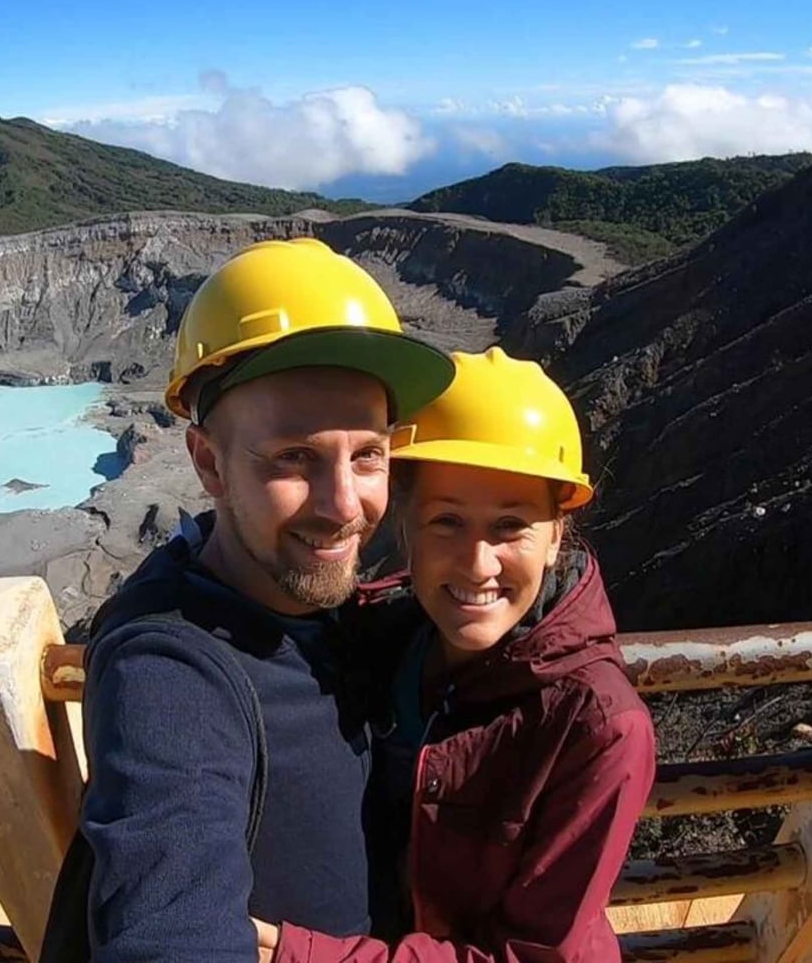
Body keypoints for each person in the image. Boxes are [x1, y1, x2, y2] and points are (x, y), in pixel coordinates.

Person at [44, 237, 456, 962]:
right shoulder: (170, 673)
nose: (342, 505)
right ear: (208, 461)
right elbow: (169, 927)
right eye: (294, 457)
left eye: (367, 454)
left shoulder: (321, 605)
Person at [259, 347, 657, 963]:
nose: (478, 564)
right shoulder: (379, 636)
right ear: (405, 529)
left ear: (556, 536)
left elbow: (531, 957)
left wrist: (302, 957)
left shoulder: (596, 726)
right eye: (447, 522)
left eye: (509, 526)